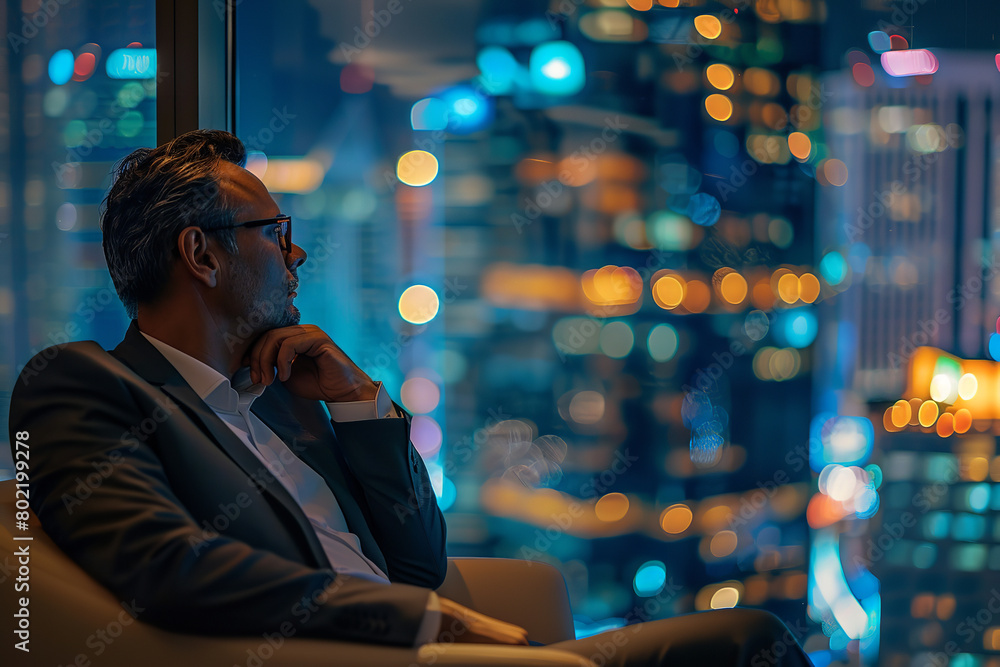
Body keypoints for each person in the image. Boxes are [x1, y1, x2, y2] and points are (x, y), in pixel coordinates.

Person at [9, 129, 813, 665]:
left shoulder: (287, 397)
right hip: (393, 658)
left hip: (452, 652)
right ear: (201, 255)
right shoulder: (81, 384)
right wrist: (426, 621)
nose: (296, 253)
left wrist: (359, 403)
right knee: (749, 639)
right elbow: (171, 568)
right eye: (272, 231)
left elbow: (422, 561)